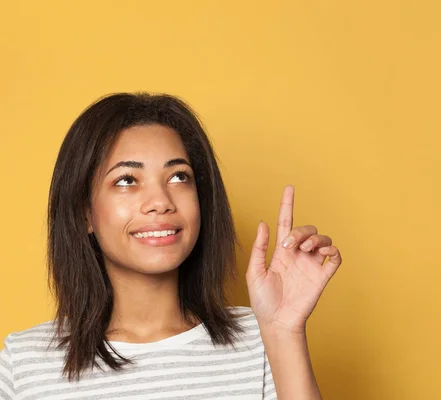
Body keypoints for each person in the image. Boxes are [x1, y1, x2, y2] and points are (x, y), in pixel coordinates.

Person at [0, 93, 342, 399]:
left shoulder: (264, 338)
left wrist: (284, 331)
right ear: (84, 213)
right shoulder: (24, 364)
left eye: (179, 177)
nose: (160, 201)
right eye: (126, 181)